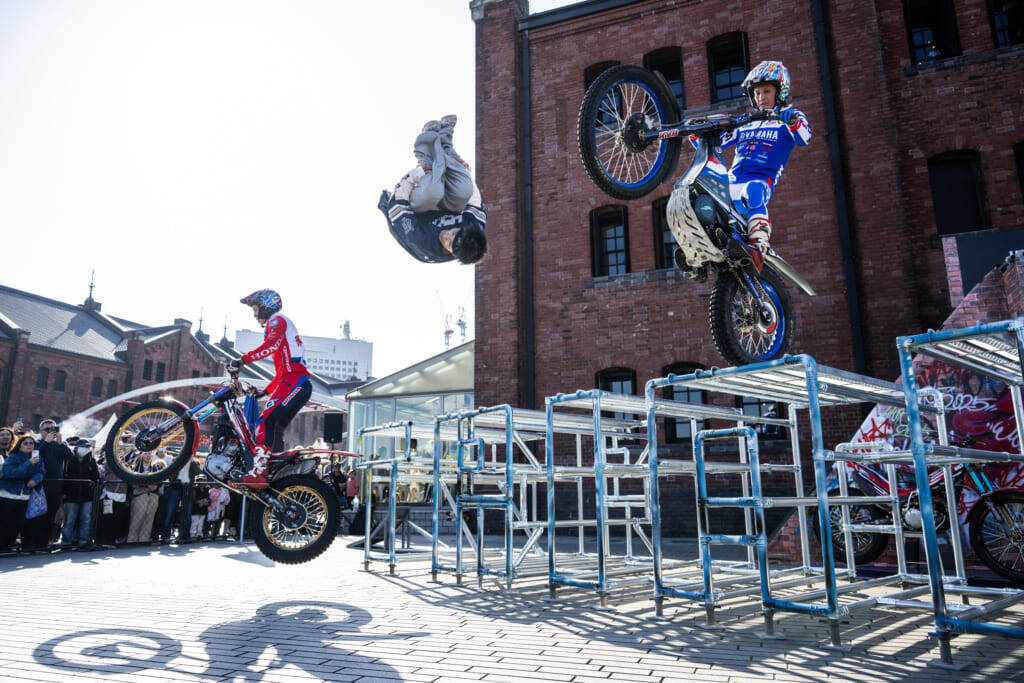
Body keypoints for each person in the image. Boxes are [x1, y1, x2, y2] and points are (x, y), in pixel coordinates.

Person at [690, 61, 811, 268]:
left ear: (780, 92)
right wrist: (698, 132)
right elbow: (710, 144)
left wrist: (791, 121)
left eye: (766, 91)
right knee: (697, 189)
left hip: (759, 184)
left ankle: (759, 243)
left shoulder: (789, 118)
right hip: (731, 184)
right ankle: (697, 250)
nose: (761, 97)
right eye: (756, 93)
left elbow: (804, 137)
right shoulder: (747, 122)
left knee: (753, 189)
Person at [228, 290, 312, 487]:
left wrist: (242, 361)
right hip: (294, 381)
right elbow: (280, 373)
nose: (254, 315)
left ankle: (259, 471)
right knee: (275, 426)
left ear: (267, 306)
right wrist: (264, 393)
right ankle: (275, 469)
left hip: (295, 381)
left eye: (256, 309)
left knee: (264, 422)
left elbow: (271, 345)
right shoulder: (280, 325)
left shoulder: (277, 320)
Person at [378, 115, 487, 265]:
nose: (446, 235)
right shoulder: (474, 228)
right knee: (464, 189)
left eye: (448, 244)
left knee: (433, 190)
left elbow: (396, 206)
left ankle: (425, 144)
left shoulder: (421, 241)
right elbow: (474, 199)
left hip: (407, 211)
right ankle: (445, 142)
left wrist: (418, 174)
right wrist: (462, 171)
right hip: (442, 209)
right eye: (454, 232)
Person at [21, 419, 71, 550]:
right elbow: (34, 458)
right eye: (47, 429)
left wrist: (61, 444)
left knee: (49, 517)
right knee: (34, 515)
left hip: (55, 486)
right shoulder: (36, 443)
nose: (50, 432)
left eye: (52, 429)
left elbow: (70, 458)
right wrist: (46, 442)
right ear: (41, 431)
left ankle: (42, 544)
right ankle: (29, 544)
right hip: (39, 485)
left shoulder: (60, 444)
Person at [0, 434, 44, 552]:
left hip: (25, 496)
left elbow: (41, 472)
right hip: (8, 494)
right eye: (26, 443)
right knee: (4, 523)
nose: (29, 445)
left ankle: (8, 547)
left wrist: (35, 479)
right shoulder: (13, 457)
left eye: (31, 443)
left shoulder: (38, 458)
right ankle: (2, 547)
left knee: (17, 524)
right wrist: (29, 463)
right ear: (20, 446)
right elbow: (11, 473)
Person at [61, 438, 100, 548]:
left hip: (87, 494)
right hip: (71, 494)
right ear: (77, 447)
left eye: (87, 447)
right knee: (69, 519)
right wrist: (64, 492)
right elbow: (65, 475)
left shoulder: (91, 460)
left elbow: (96, 477)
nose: (85, 449)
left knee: (85, 519)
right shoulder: (69, 459)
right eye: (83, 446)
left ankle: (83, 540)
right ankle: (66, 541)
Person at [126, 452, 161, 543]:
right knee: (136, 519)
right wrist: (147, 486)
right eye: (145, 454)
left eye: (150, 454)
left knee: (149, 519)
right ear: (141, 456)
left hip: (153, 497)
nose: (148, 456)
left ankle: (144, 539)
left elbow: (157, 485)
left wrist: (144, 487)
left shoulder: (156, 469)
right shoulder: (134, 468)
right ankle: (132, 540)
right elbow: (134, 485)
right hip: (139, 497)